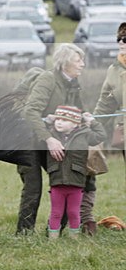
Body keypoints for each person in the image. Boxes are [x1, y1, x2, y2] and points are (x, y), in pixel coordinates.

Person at [16, 43, 88, 235]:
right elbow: (29, 112)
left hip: (53, 142)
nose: (82, 64)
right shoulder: (47, 79)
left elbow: (79, 111)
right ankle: (24, 233)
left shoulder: (74, 84)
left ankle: (54, 231)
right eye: (78, 60)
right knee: (33, 187)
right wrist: (49, 138)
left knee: (68, 180)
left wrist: (87, 118)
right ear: (65, 63)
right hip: (29, 140)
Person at [43, 105, 106, 239]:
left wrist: (92, 121)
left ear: (75, 124)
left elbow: (101, 135)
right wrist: (47, 121)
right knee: (55, 212)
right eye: (57, 119)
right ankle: (52, 239)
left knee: (73, 212)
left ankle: (74, 238)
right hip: (57, 181)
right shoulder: (50, 134)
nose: (59, 122)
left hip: (76, 182)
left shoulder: (85, 134)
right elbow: (36, 134)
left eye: (64, 120)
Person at [91, 22, 126, 234]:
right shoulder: (114, 71)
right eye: (120, 40)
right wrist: (92, 129)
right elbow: (105, 103)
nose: (122, 44)